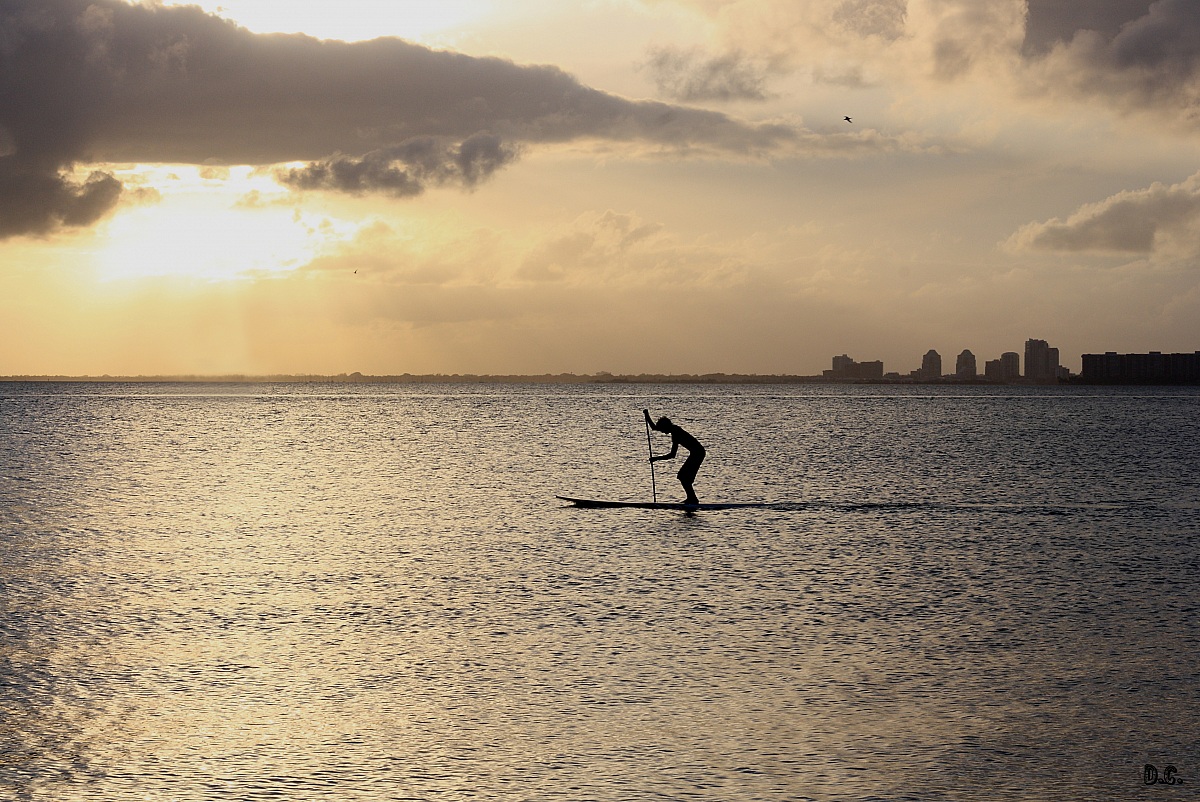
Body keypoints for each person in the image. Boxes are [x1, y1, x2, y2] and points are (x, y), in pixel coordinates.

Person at [644, 409, 706, 505]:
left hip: (698, 453)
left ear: (666, 427)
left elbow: (672, 455)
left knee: (683, 476)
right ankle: (691, 498)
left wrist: (656, 459)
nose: (663, 433)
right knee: (683, 477)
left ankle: (692, 499)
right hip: (695, 453)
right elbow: (654, 428)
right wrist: (647, 416)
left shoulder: (676, 432)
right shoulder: (673, 429)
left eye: (663, 430)